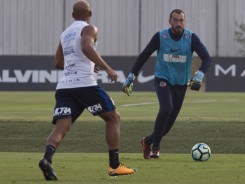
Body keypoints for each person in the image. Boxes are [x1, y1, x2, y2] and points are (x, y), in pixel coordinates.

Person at [39, 0, 135, 180]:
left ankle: (46, 159)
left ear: (72, 15)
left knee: (62, 126)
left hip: (65, 87)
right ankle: (115, 166)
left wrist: (89, 65)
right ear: (90, 15)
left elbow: (58, 63)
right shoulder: (89, 28)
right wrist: (107, 68)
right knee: (113, 118)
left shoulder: (65, 33)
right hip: (84, 84)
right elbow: (86, 46)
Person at [122, 9, 212, 159]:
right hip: (163, 79)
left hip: (181, 83)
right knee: (166, 108)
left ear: (184, 21)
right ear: (169, 21)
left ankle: (147, 141)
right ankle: (155, 147)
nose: (178, 23)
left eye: (181, 20)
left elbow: (207, 58)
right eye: (175, 20)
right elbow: (144, 55)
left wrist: (199, 74)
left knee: (168, 123)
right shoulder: (161, 36)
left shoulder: (191, 37)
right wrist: (132, 76)